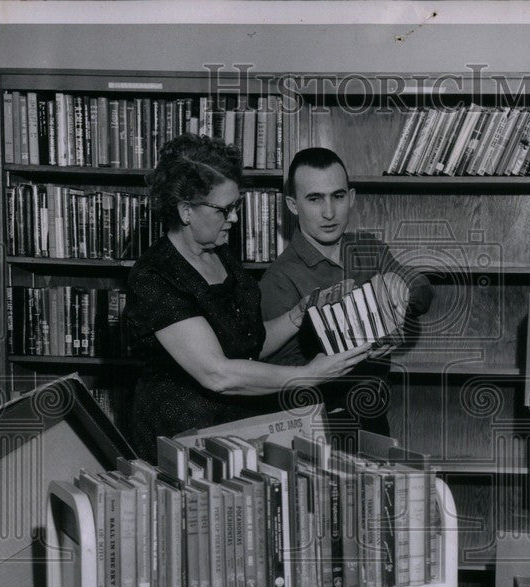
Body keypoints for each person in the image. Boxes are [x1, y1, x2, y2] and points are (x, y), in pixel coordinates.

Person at [123, 134, 371, 463]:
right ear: (186, 211)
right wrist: (311, 374)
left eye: (236, 206)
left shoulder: (220, 254)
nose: (235, 218)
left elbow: (249, 343)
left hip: (236, 433)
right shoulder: (154, 276)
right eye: (224, 209)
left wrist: (300, 312)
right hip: (182, 440)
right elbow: (218, 373)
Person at [259, 147, 433, 436]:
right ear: (292, 205)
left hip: (373, 419)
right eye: (314, 199)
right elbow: (277, 376)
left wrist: (404, 285)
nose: (329, 213)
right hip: (313, 427)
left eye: (337, 197)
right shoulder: (279, 277)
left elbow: (424, 294)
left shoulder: (369, 248)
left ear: (351, 198)